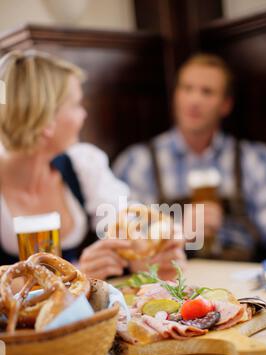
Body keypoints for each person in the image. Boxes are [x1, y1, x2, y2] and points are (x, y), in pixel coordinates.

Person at [0, 50, 185, 280]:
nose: (84, 115)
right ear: (45, 119)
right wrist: (74, 276)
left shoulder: (82, 164)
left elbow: (126, 223)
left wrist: (155, 253)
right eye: (77, 104)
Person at [113, 53, 266, 264]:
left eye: (207, 92)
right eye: (187, 89)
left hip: (242, 282)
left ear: (226, 105)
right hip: (170, 284)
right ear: (176, 96)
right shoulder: (139, 162)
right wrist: (178, 232)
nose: (195, 100)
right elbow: (125, 245)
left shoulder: (254, 159)